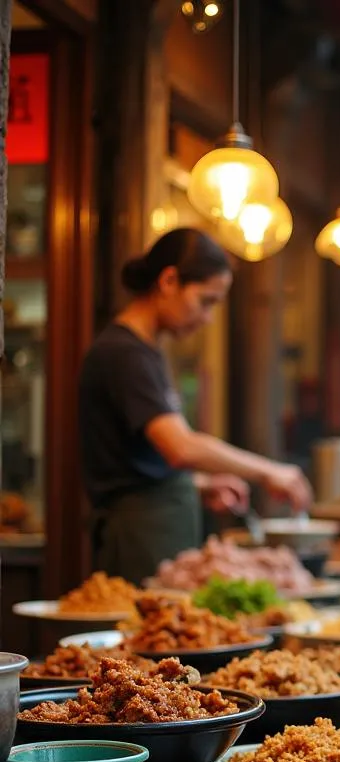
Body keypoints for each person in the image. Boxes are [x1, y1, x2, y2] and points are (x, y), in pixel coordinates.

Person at [79, 228, 312, 584]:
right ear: (169, 280)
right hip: (138, 536)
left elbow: (140, 460)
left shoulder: (147, 351)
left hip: (158, 526)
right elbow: (180, 448)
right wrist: (269, 472)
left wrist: (200, 485)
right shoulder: (124, 354)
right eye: (206, 301)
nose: (208, 318)